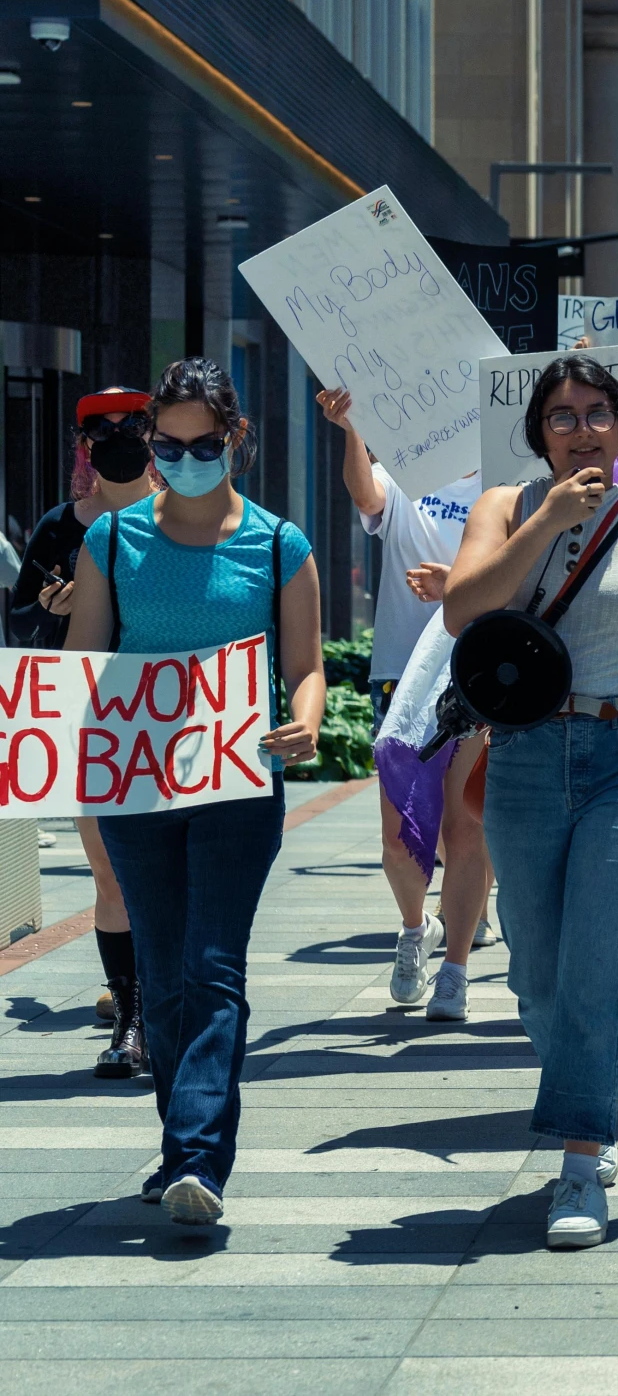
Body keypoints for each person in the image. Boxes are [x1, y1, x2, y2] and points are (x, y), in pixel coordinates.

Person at [441, 354, 618, 1249]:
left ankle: (579, 1158)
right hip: (526, 755)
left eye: (597, 413)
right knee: (536, 972)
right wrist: (547, 524)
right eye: (561, 416)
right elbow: (461, 612)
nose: (580, 429)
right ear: (539, 433)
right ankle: (588, 1094)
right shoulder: (503, 509)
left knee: (599, 965)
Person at [64, 359, 325, 1229]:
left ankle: (196, 1159)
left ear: (236, 440)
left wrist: (307, 720)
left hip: (238, 781)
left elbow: (305, 665)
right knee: (166, 975)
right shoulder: (109, 541)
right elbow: (86, 665)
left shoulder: (280, 543)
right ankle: (186, 1140)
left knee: (212, 966)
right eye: (163, 445)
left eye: (201, 444)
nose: (180, 458)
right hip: (139, 785)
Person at [317, 388, 493, 1020]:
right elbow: (366, 496)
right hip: (401, 677)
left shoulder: (505, 494)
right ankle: (415, 931)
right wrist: (351, 428)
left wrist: (459, 589)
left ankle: (456, 968)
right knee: (398, 837)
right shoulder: (404, 478)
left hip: (477, 675)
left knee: (465, 825)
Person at [7, 388, 159, 1077]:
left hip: (178, 718)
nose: (122, 439)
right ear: (84, 445)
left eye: (137, 427)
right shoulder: (60, 529)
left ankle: (168, 999)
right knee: (110, 870)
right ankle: (134, 1017)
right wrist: (51, 614)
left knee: (174, 872)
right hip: (94, 718)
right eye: (106, 430)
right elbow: (19, 633)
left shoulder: (182, 524)